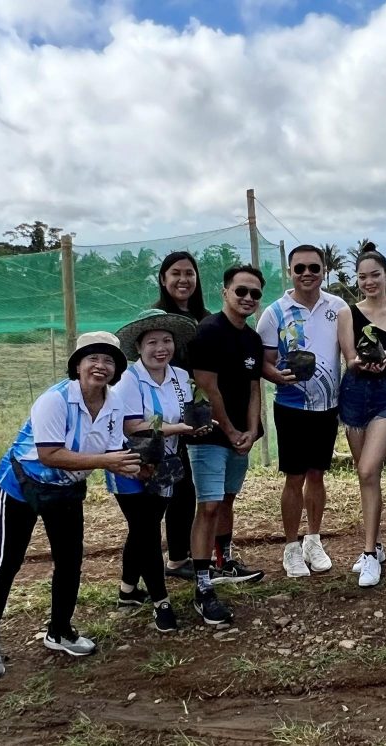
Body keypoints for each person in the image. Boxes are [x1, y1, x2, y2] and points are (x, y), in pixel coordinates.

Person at [0, 332, 141, 679]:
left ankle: (60, 630)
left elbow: (112, 451)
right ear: (77, 364)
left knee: (70, 561)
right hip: (23, 485)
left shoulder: (113, 404)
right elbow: (51, 455)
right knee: (7, 562)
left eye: (109, 360)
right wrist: (109, 462)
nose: (101, 366)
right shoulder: (55, 400)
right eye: (92, 358)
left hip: (67, 489)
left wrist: (135, 462)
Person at [108, 310, 204, 633]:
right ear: (138, 346)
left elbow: (189, 411)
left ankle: (127, 590)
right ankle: (161, 602)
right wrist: (180, 427)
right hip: (130, 465)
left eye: (166, 341)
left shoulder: (178, 376)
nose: (160, 348)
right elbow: (132, 425)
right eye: (152, 342)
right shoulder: (128, 381)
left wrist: (198, 425)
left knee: (144, 528)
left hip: (166, 464)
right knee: (146, 529)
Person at [258, 245, 347, 578]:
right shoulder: (275, 312)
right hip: (291, 406)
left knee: (317, 475)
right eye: (300, 268)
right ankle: (291, 547)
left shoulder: (338, 307)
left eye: (314, 267)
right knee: (294, 477)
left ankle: (313, 539)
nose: (307, 273)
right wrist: (276, 376)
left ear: (324, 270)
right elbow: (265, 363)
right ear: (289, 272)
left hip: (327, 406)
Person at [186, 265, 266, 624]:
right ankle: (203, 587)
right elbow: (208, 387)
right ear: (225, 292)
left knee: (228, 499)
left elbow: (253, 388)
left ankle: (225, 560)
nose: (247, 298)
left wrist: (251, 430)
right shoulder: (209, 332)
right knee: (208, 506)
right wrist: (231, 431)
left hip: (240, 438)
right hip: (210, 437)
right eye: (241, 291)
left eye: (254, 293)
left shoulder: (251, 339)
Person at [336, 250, 386, 587]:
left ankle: (367, 554)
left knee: (368, 468)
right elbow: (349, 358)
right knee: (367, 476)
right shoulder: (346, 314)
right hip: (353, 394)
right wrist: (360, 362)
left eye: (375, 274)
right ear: (357, 280)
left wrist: (385, 360)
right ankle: (375, 545)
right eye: (363, 276)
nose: (369, 282)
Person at [153, 251, 209, 580]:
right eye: (175, 273)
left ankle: (185, 553)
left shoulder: (205, 317)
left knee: (191, 486)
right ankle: (174, 557)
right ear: (163, 279)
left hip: (198, 407)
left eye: (189, 273)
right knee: (176, 484)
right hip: (166, 410)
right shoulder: (157, 316)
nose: (183, 279)